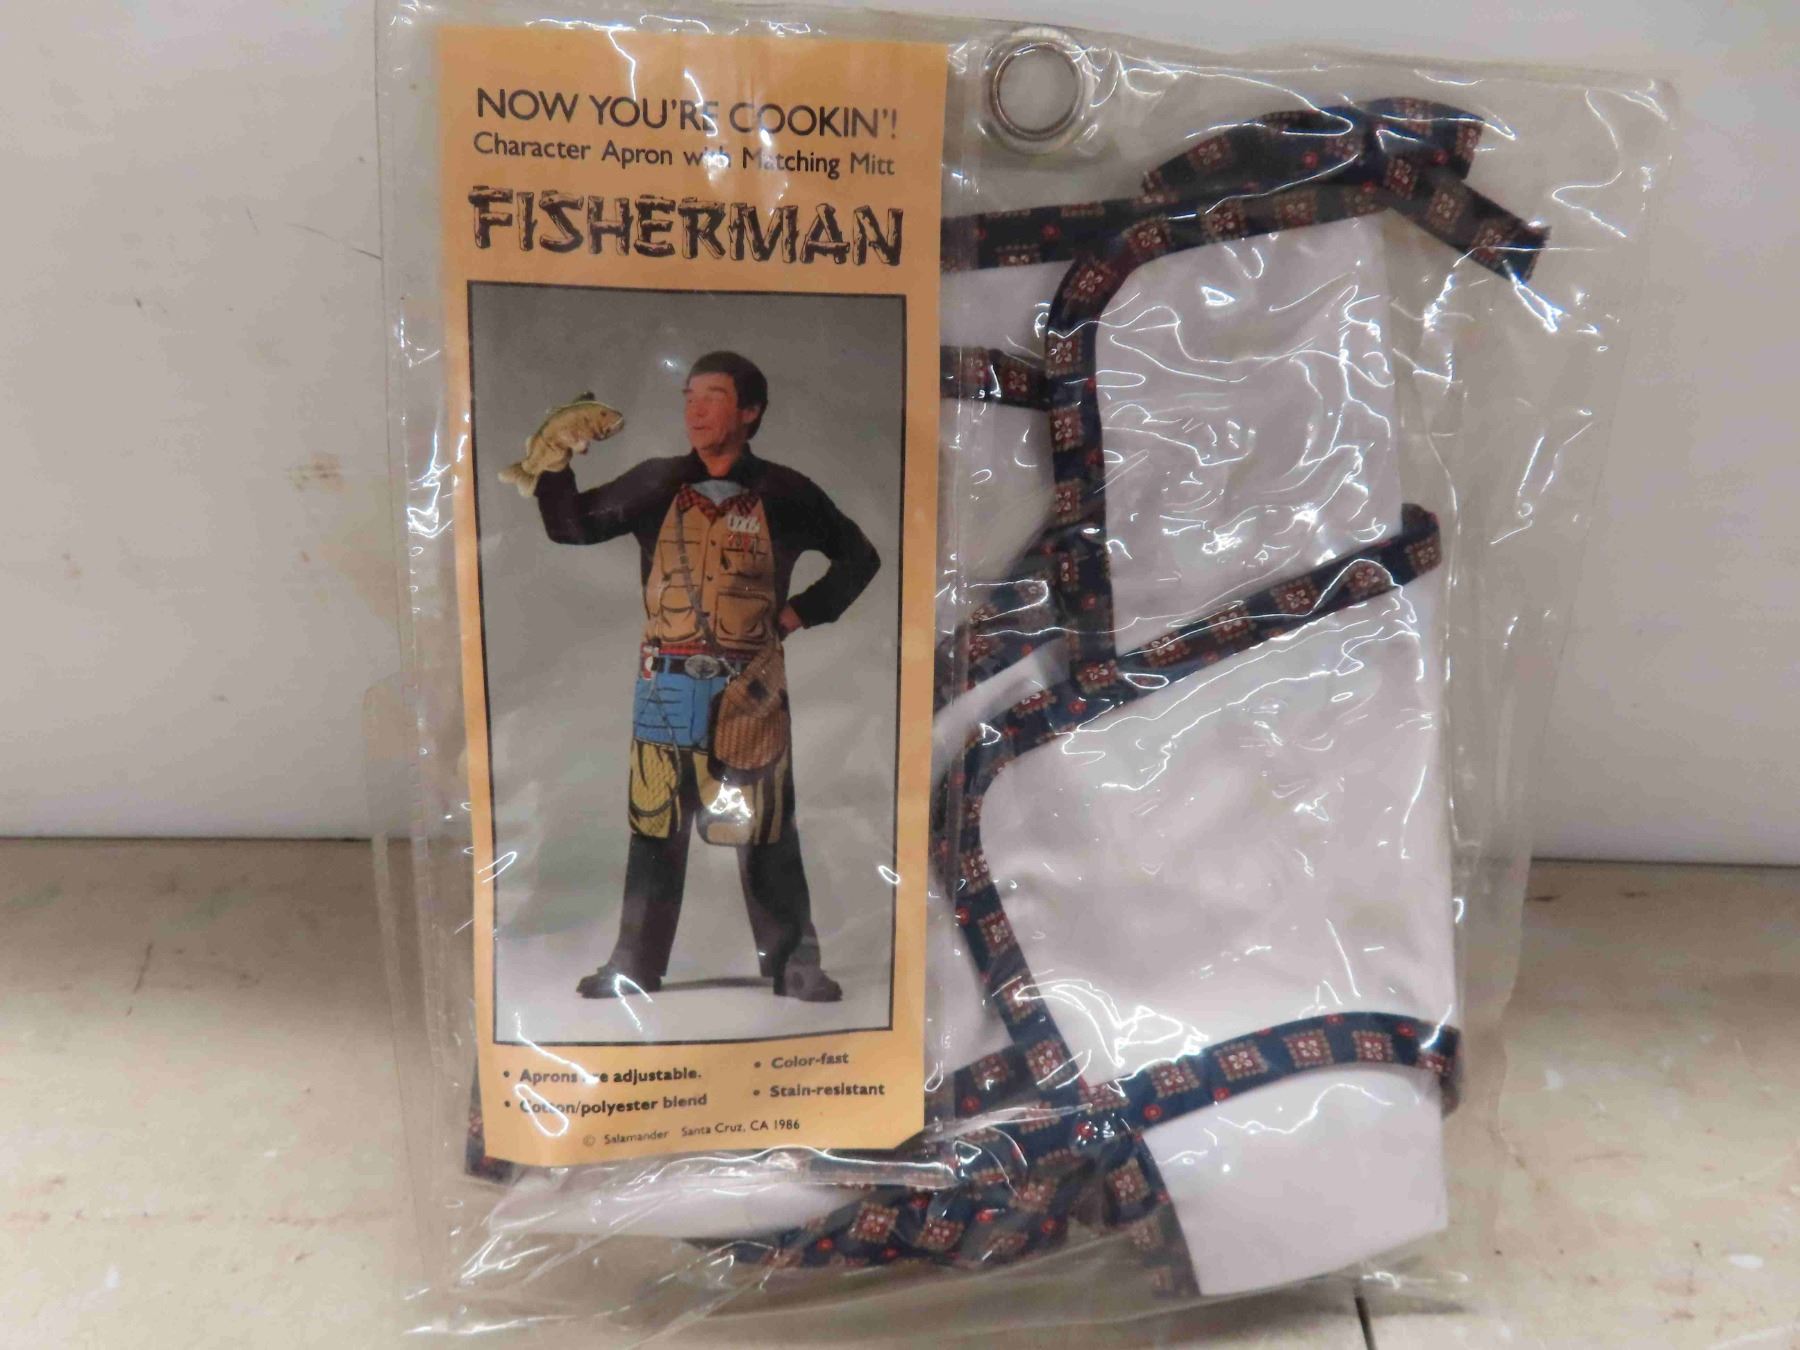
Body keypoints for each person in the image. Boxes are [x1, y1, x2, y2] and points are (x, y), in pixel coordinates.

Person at [531, 351, 880, 1002]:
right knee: (654, 826)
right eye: (689, 396)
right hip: (665, 685)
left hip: (751, 688)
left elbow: (859, 557)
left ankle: (793, 963)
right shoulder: (655, 482)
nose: (695, 409)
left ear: (749, 412)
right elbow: (569, 526)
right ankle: (634, 964)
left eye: (713, 397)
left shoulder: (786, 492)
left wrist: (799, 613)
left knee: (767, 828)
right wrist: (554, 462)